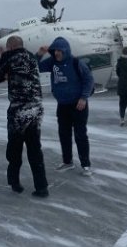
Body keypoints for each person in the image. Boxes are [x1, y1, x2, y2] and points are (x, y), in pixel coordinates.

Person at [0, 36, 49, 197]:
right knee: (35, 149)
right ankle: (42, 187)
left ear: (9, 47)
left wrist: (0, 58)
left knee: (15, 149)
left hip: (18, 111)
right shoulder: (31, 57)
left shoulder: (9, 57)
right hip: (36, 109)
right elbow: (27, 67)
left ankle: (14, 183)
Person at [37, 37, 95, 176]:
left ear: (65, 50)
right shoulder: (52, 62)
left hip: (78, 105)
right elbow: (35, 67)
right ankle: (67, 161)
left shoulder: (76, 63)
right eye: (54, 50)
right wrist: (39, 54)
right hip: (62, 105)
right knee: (64, 134)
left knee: (80, 135)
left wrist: (83, 97)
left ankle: (86, 165)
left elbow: (89, 80)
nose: (56, 53)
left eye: (59, 50)